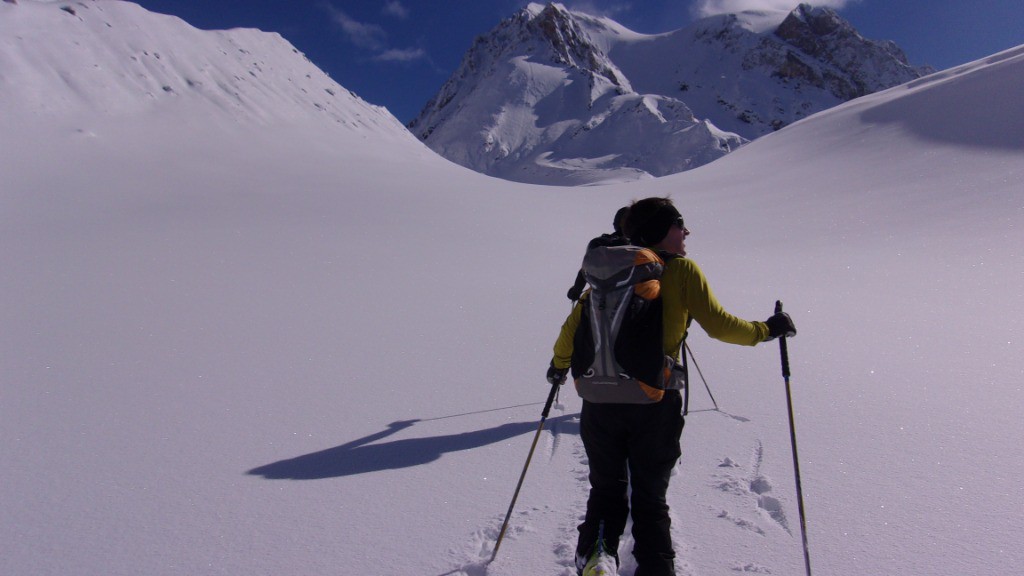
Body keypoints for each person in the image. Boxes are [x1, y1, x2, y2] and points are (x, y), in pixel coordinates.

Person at [546, 197, 796, 576]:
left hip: (598, 400)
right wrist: (768, 330)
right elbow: (720, 326)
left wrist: (558, 368)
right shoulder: (681, 271)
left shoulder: (606, 270)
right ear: (663, 230)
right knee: (649, 497)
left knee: (606, 490)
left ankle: (597, 555)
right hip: (655, 400)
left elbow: (571, 329)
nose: (686, 232)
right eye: (680, 224)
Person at [567, 206, 631, 301]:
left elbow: (586, 269)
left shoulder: (600, 243)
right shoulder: (646, 246)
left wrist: (576, 290)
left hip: (605, 298)